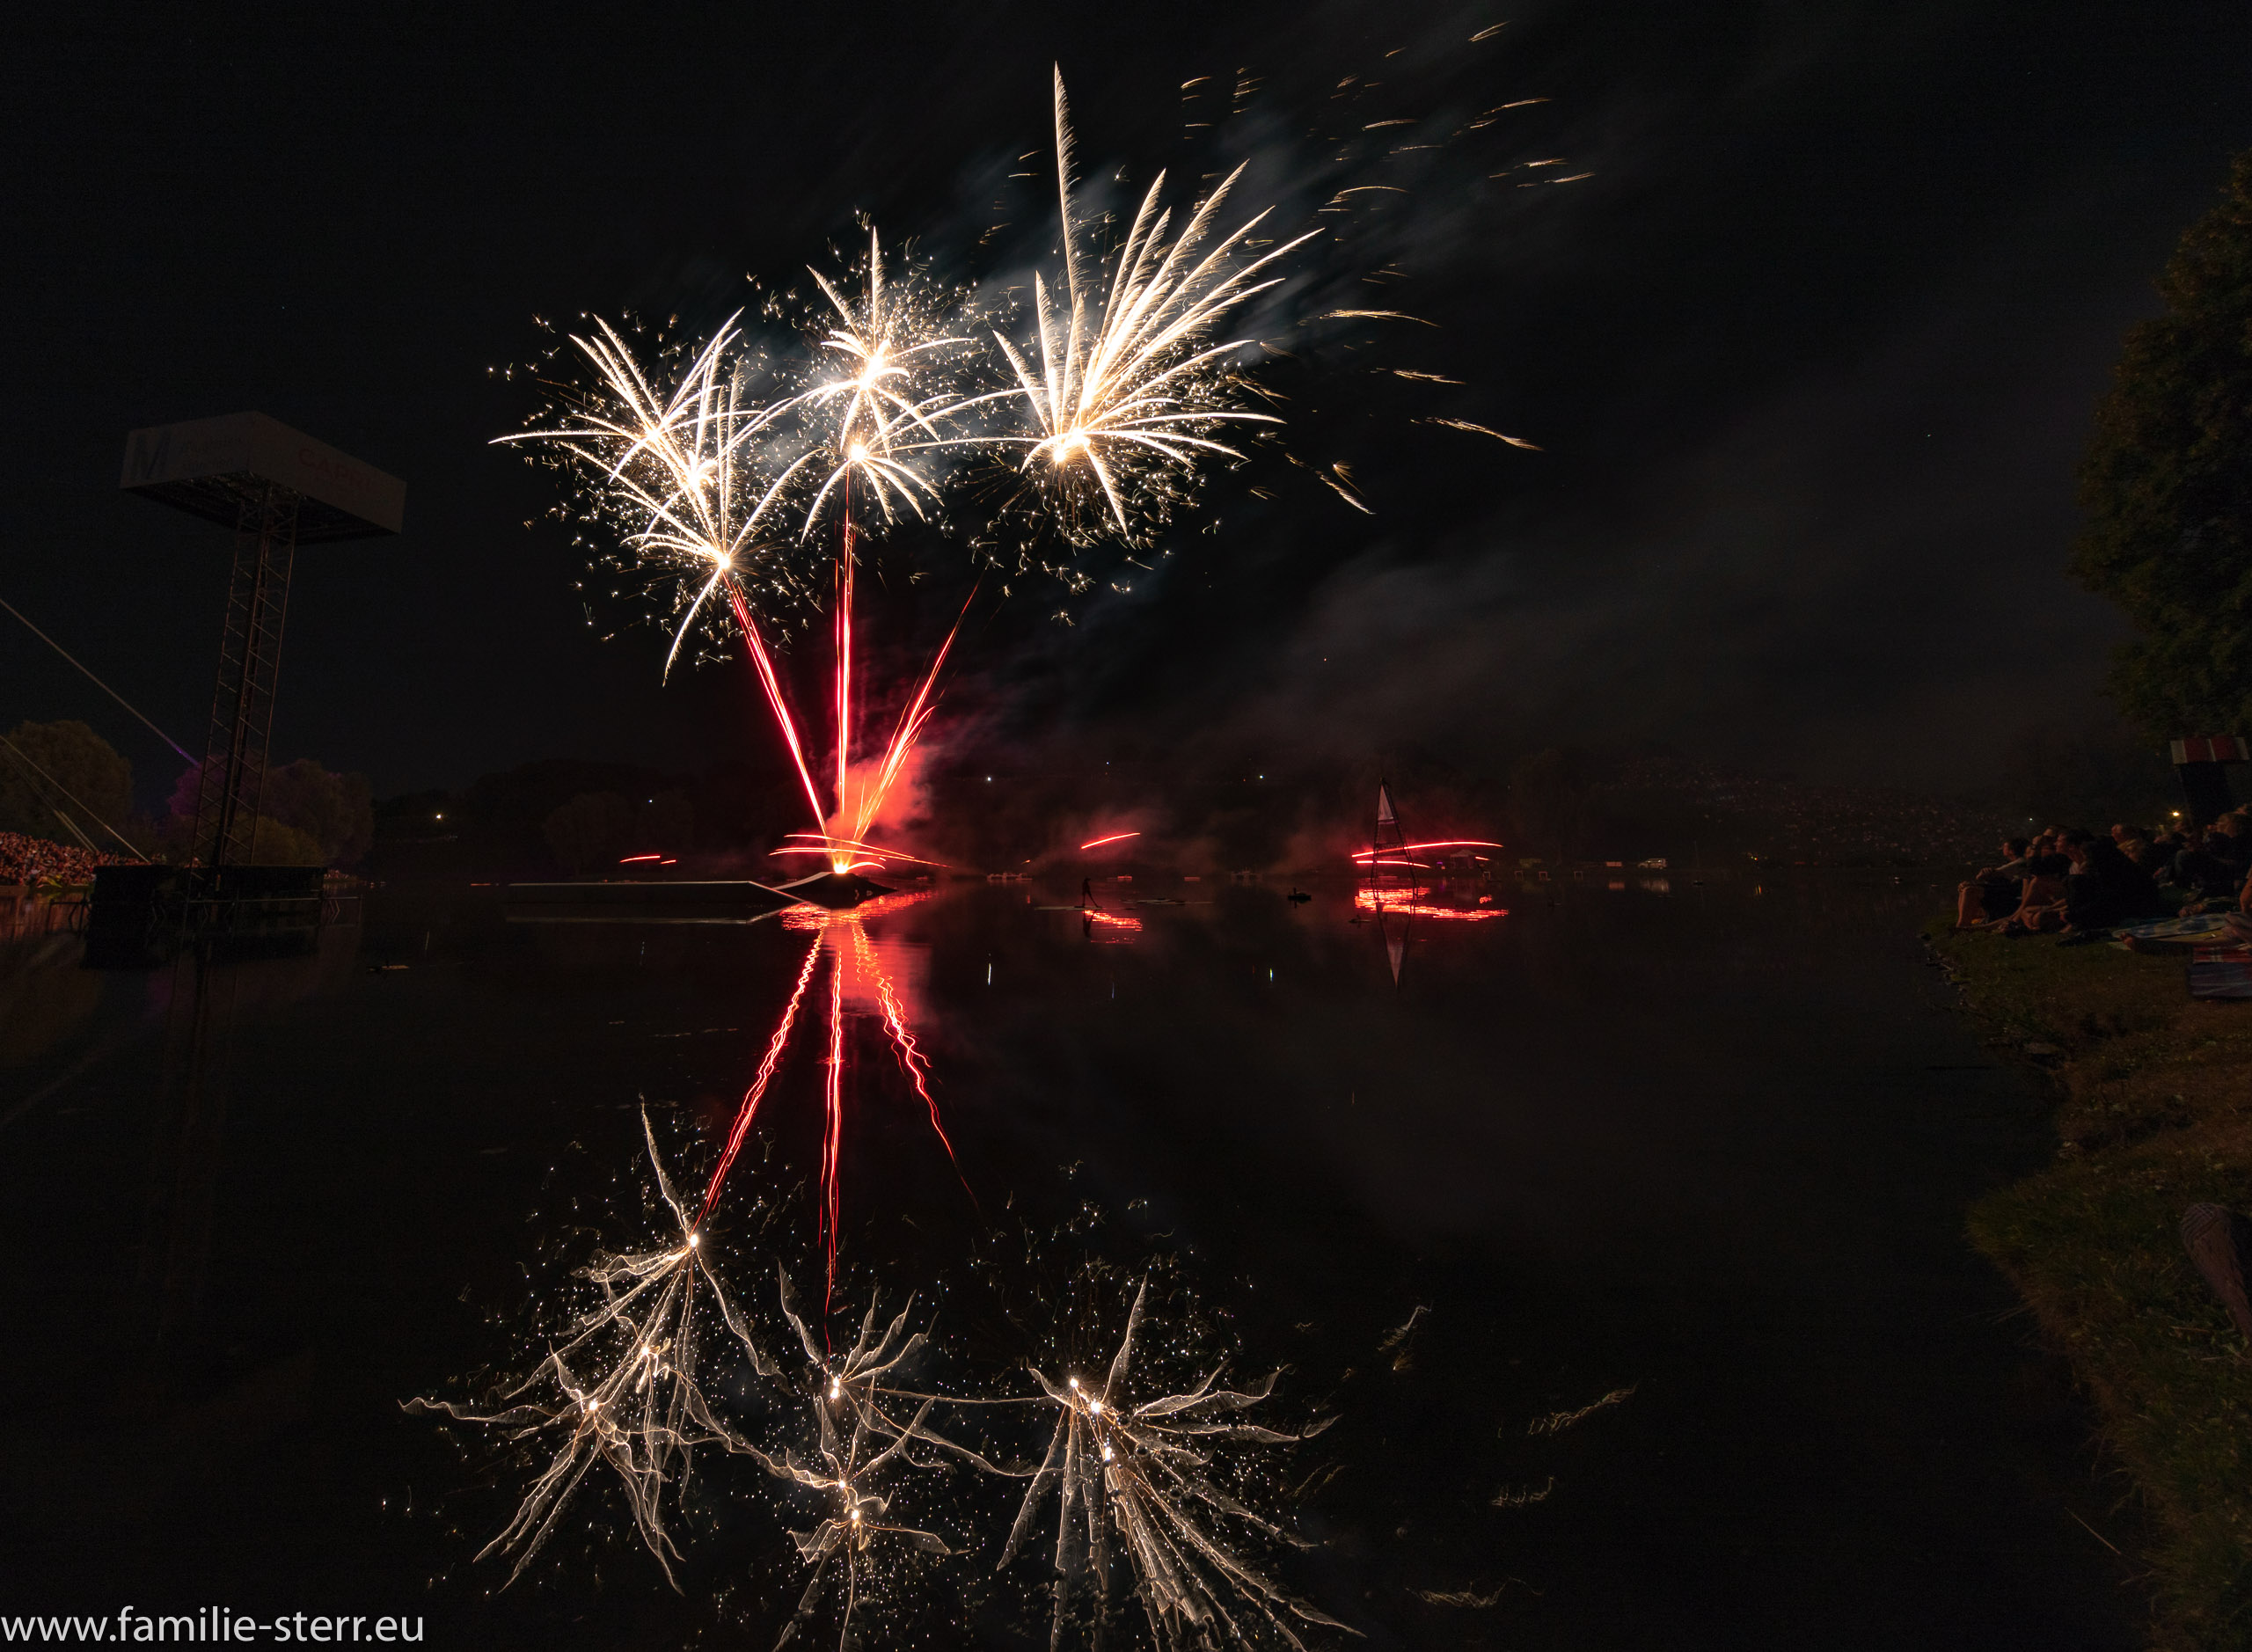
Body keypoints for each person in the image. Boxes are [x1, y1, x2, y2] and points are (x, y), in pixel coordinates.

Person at [1956, 837, 2033, 928]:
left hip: (2012, 902)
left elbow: (1985, 876)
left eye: (2004, 846)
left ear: (2011, 851)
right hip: (2009, 897)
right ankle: (1964, 922)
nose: (2001, 848)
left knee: (1969, 890)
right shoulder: (2017, 863)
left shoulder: (2019, 863)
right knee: (1966, 888)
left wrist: (1983, 873)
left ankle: (1962, 925)